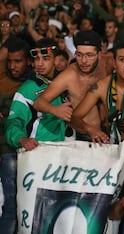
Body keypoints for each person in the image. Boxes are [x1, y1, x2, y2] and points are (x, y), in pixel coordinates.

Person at [33, 31, 124, 141]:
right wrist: (54, 109)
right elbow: (39, 102)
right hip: (84, 135)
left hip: (110, 134)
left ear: (99, 54)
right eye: (79, 55)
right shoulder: (69, 75)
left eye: (89, 55)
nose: (84, 61)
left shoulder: (108, 63)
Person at [0, 37, 31, 234]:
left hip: (32, 150)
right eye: (9, 61)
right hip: (8, 150)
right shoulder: (1, 81)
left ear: (28, 60)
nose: (12, 66)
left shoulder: (34, 83)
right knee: (11, 203)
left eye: (17, 61)